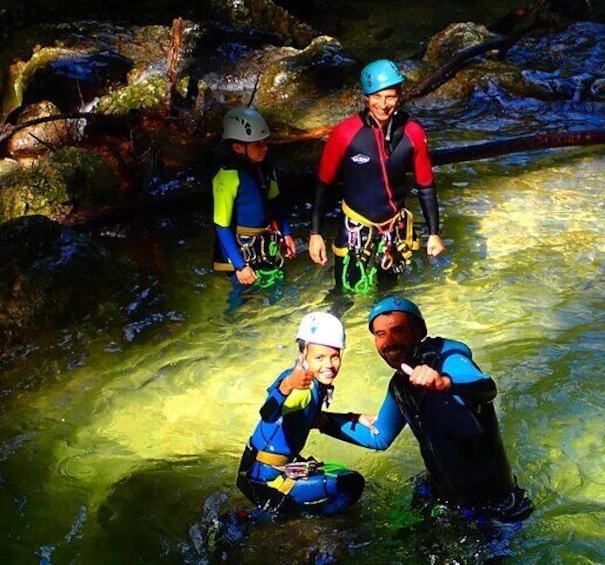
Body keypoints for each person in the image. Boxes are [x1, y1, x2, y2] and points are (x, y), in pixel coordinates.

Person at [317, 296, 533, 522]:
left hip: (494, 504)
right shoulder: (400, 385)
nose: (389, 342)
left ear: (419, 331)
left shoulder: (448, 359)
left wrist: (444, 383)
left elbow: (486, 388)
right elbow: (379, 436)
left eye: (398, 330)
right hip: (442, 496)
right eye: (380, 335)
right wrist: (321, 422)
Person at [307, 59, 445, 294]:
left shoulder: (413, 133)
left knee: (388, 294)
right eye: (376, 97)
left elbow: (425, 185)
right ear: (366, 98)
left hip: (394, 231)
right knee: (343, 294)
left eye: (390, 97)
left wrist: (434, 233)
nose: (383, 105)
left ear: (400, 95)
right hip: (355, 231)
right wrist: (315, 234)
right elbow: (324, 184)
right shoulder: (345, 134)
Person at [235, 312, 365, 517]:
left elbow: (310, 419)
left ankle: (288, 515)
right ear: (303, 354)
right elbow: (267, 414)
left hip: (256, 468)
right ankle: (308, 521)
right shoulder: (300, 388)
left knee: (337, 471)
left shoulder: (302, 378)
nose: (329, 365)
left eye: (335, 356)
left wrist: (354, 418)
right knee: (352, 484)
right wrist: (287, 387)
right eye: (319, 357)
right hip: (268, 480)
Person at [212, 106, 296, 292]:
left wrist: (286, 232)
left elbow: (275, 202)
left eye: (266, 142)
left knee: (277, 287)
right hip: (239, 248)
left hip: (265, 241)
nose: (265, 148)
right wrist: (240, 266)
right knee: (242, 295)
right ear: (238, 147)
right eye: (258, 144)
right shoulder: (226, 178)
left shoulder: (265, 167)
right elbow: (222, 226)